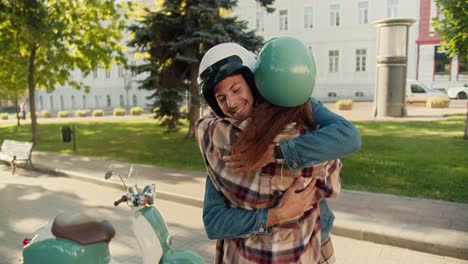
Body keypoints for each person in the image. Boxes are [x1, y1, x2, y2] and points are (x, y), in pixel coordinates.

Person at [196, 39, 360, 263]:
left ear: (254, 83)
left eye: (236, 89)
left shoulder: (295, 102)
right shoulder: (224, 144)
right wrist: (277, 215)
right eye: (221, 98)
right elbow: (214, 221)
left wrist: (275, 152)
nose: (232, 102)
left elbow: (348, 137)